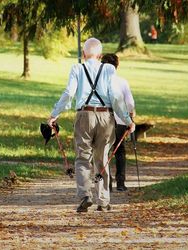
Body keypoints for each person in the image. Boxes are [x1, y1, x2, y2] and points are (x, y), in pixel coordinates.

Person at [48, 38, 135, 213]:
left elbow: (69, 93)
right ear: (100, 55)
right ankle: (103, 201)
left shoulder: (77, 68)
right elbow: (116, 98)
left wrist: (54, 114)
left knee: (82, 158)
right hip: (105, 116)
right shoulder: (109, 69)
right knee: (102, 158)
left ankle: (85, 196)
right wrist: (127, 120)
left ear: (83, 54)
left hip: (84, 116)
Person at [101, 53, 135, 192]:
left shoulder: (100, 82)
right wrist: (131, 118)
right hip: (121, 121)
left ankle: (106, 183)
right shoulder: (122, 82)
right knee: (120, 151)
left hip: (104, 120)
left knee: (105, 151)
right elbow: (130, 103)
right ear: (117, 66)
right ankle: (120, 183)